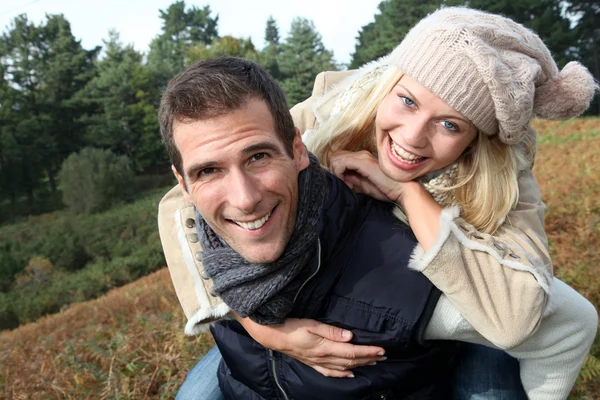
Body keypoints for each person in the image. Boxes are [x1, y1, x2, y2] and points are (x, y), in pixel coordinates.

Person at [157, 7, 598, 400]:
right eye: (407, 101)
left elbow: (523, 318)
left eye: (449, 124)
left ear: (473, 141)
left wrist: (408, 192)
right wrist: (262, 327)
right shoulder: (331, 112)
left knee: (490, 378)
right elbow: (187, 196)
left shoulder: (504, 179)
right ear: (390, 82)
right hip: (301, 317)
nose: (410, 137)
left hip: (427, 310)